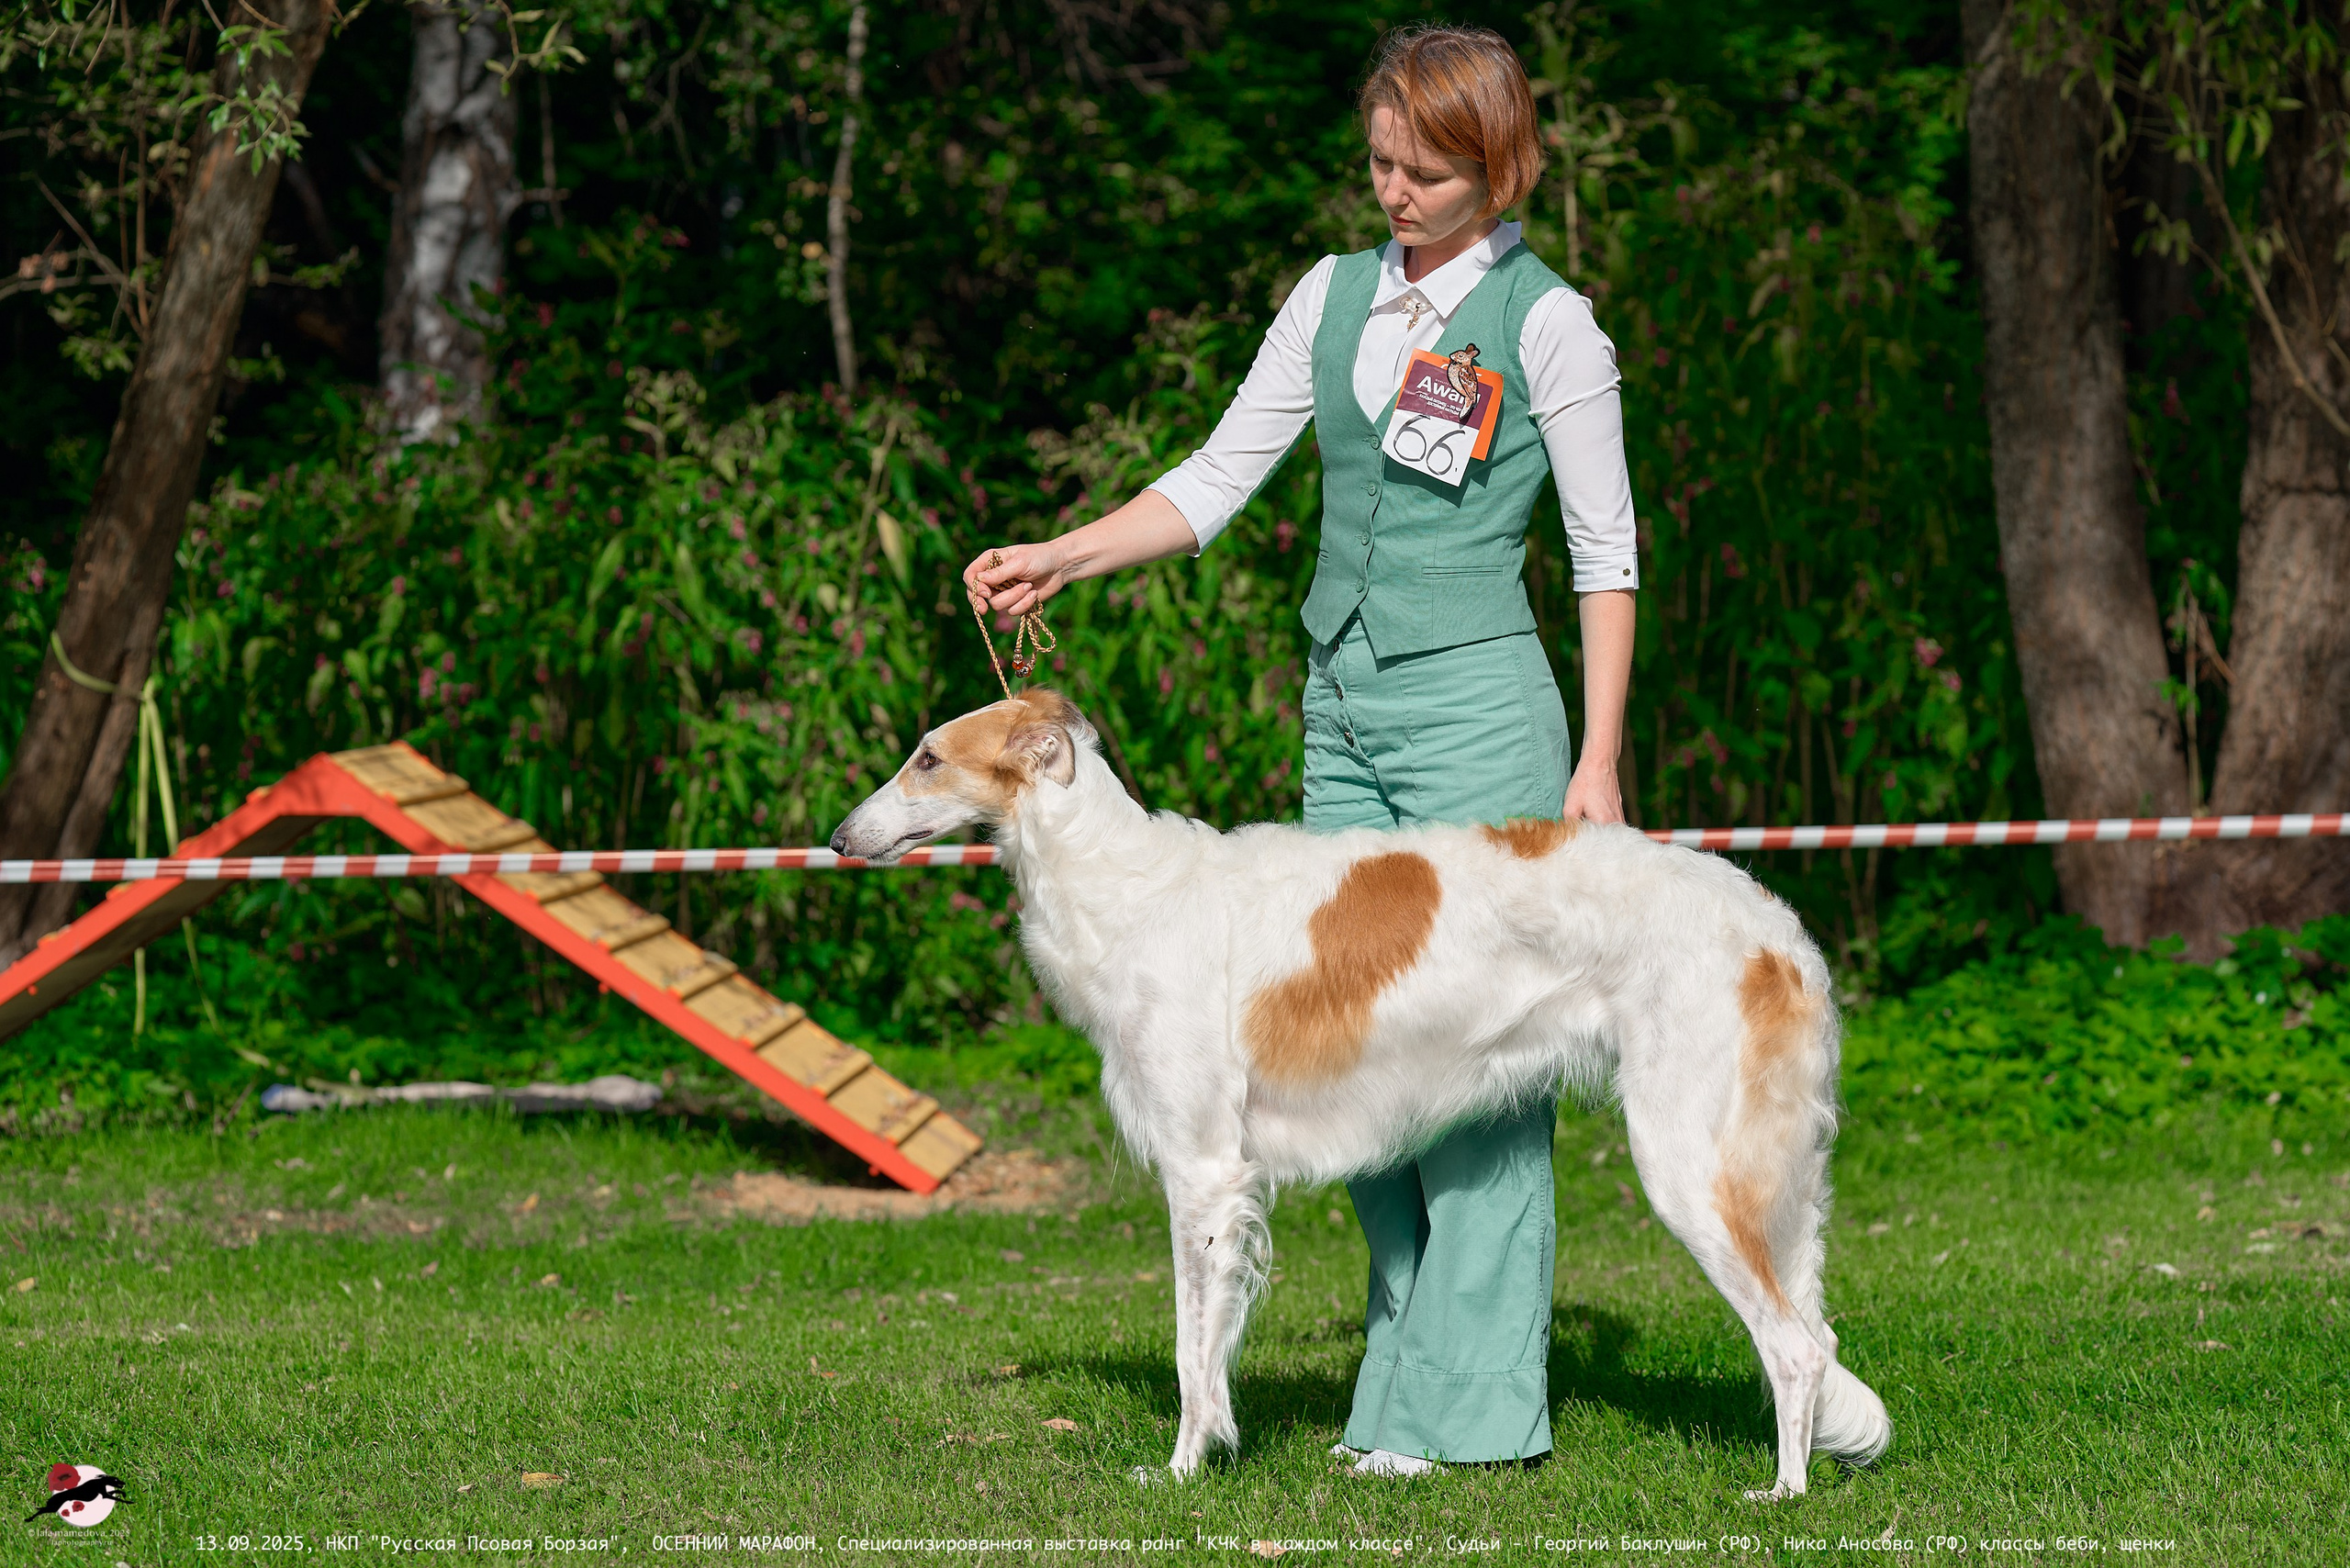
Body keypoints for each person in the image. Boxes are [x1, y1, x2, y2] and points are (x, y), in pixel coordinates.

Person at [962, 23, 1638, 1475]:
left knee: (1483, 1064)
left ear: (1499, 163)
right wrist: (1063, 557)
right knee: (1354, 1063)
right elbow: (1217, 474)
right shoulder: (1332, 299)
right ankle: (1395, 1388)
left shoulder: (1548, 324)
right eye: (1380, 162)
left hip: (1482, 718)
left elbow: (1604, 550)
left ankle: (1472, 1416)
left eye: (1427, 171)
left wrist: (1599, 762)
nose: (1393, 192)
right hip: (1344, 717)